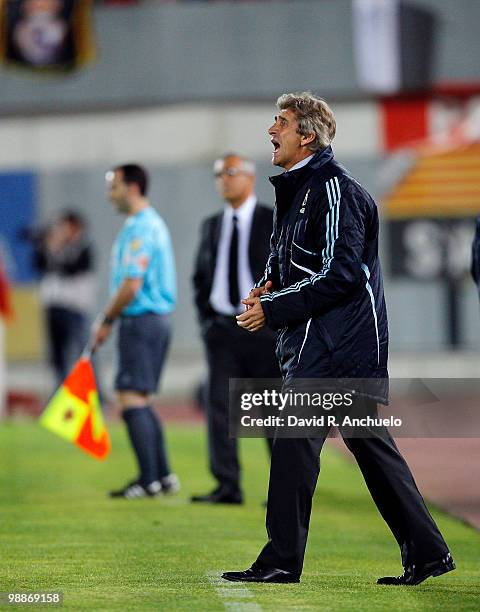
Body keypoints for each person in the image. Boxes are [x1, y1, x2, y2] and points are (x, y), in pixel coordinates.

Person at [222, 93, 455, 585]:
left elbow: (342, 272)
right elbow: (296, 260)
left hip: (340, 348)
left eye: (280, 123)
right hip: (328, 345)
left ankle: (281, 560)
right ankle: (429, 552)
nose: (271, 130)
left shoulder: (335, 191)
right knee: (369, 446)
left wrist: (276, 307)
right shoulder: (300, 190)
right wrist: (269, 284)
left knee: (293, 442)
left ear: (307, 136)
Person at [191, 153, 280, 504]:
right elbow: (200, 277)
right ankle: (227, 486)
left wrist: (275, 318)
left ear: (249, 177)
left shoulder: (272, 220)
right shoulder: (212, 225)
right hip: (222, 329)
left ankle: (283, 490)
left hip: (263, 328)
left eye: (230, 172)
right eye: (217, 174)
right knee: (219, 409)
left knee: (273, 410)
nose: (223, 180)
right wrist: (207, 322)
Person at [92, 163, 179, 499]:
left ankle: (148, 480)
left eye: (112, 186)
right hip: (154, 319)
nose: (108, 194)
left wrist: (106, 319)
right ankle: (163, 475)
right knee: (141, 398)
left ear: (131, 187)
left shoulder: (142, 227)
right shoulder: (145, 223)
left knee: (129, 397)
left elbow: (131, 286)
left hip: (141, 320)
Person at [30, 210, 95, 385]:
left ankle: (94, 391)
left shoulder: (83, 247)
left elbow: (71, 269)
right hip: (53, 305)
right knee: (57, 353)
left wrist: (58, 249)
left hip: (75, 307)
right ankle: (60, 389)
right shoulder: (52, 247)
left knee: (83, 350)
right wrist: (48, 247)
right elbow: (38, 265)